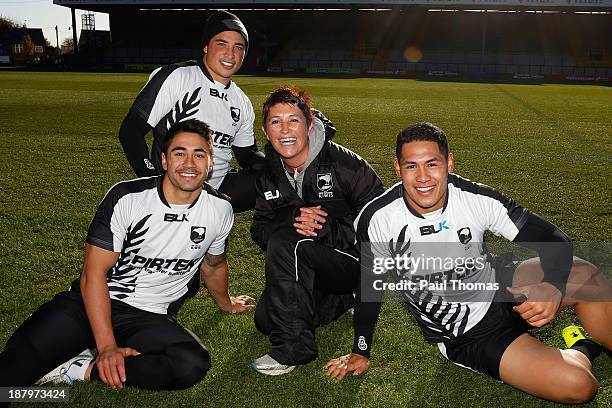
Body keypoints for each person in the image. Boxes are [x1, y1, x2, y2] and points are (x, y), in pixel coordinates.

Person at [325, 122, 612, 404]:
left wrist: (552, 285)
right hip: (468, 333)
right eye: (412, 166)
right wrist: (360, 350)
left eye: (432, 164)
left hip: (501, 286)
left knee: (585, 275)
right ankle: (582, 347)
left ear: (449, 163)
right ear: (398, 169)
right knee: (579, 385)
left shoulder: (475, 198)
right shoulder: (378, 219)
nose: (423, 177)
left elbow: (553, 238)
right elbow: (368, 287)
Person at [0, 119, 254, 390]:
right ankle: (82, 350)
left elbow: (214, 265)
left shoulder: (220, 209)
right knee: (10, 378)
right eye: (179, 153)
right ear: (164, 161)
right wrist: (107, 346)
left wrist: (226, 302)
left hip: (149, 316)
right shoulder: (127, 197)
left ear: (210, 163)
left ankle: (82, 370)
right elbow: (93, 274)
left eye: (199, 154)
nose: (189, 163)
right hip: (90, 304)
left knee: (190, 364)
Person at [249, 87, 385, 375]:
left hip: (355, 264)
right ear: (265, 129)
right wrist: (292, 217)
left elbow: (382, 228)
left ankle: (293, 349)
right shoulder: (267, 172)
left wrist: (327, 229)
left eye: (293, 120)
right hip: (312, 267)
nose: (285, 130)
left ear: (309, 124)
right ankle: (344, 299)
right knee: (265, 319)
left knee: (290, 243)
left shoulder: (346, 165)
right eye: (276, 122)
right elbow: (259, 230)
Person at [118, 10, 264, 213]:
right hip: (175, 187)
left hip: (217, 192)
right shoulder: (178, 77)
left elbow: (247, 156)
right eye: (221, 43)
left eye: (238, 47)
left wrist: (285, 163)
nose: (230, 54)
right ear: (205, 46)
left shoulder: (242, 101)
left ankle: (293, 240)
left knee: (282, 180)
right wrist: (153, 180)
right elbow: (130, 131)